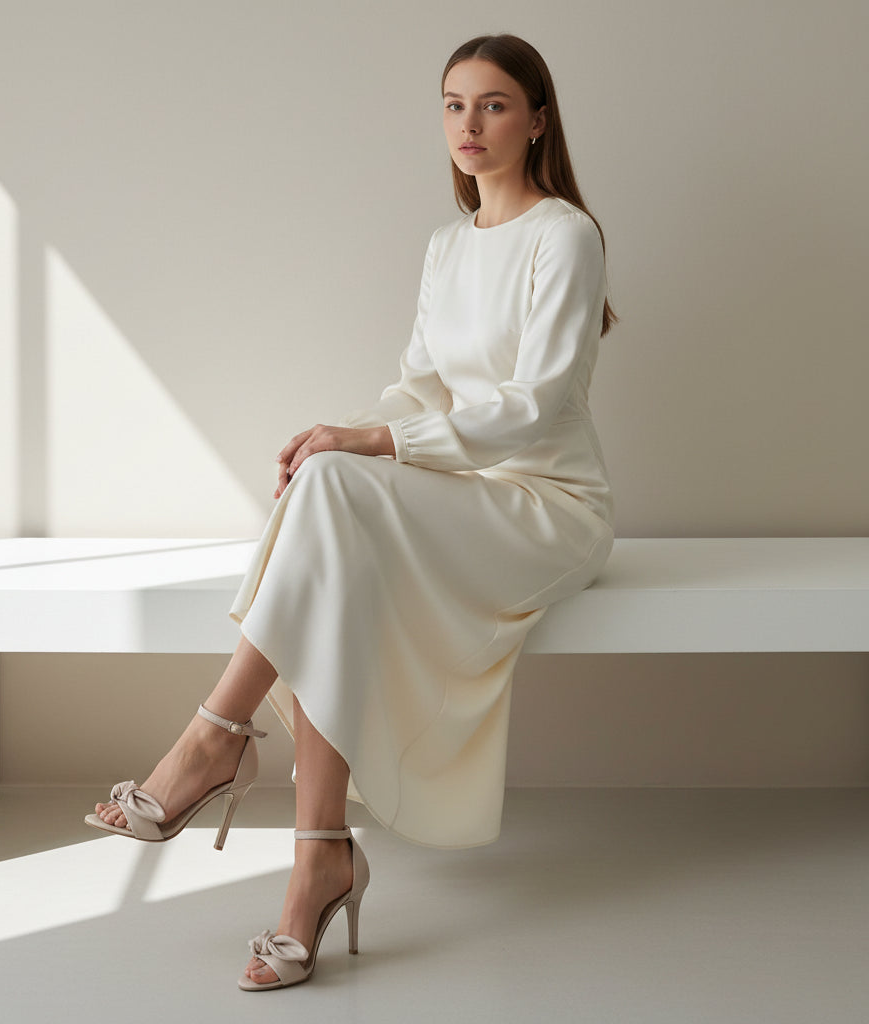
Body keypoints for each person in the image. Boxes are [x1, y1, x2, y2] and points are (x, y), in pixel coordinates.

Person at [85, 31, 618, 991]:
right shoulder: (448, 245)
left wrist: (374, 446)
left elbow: (533, 406)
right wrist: (345, 430)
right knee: (327, 497)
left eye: (494, 104)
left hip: (543, 506)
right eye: (454, 104)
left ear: (537, 120)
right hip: (457, 495)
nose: (470, 124)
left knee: (339, 498)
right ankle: (315, 857)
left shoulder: (565, 236)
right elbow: (418, 393)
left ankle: (216, 742)